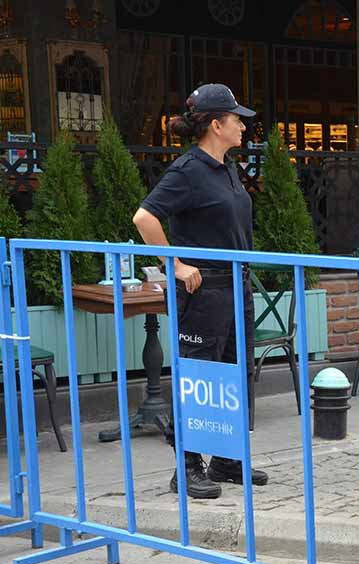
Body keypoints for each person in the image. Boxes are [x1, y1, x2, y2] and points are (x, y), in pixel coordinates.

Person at [133, 83, 269, 499]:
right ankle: (187, 466)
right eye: (236, 120)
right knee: (200, 377)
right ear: (215, 124)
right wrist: (174, 265)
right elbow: (144, 217)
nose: (244, 127)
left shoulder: (226, 166)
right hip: (206, 288)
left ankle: (227, 460)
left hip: (236, 283)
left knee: (235, 372)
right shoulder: (187, 170)